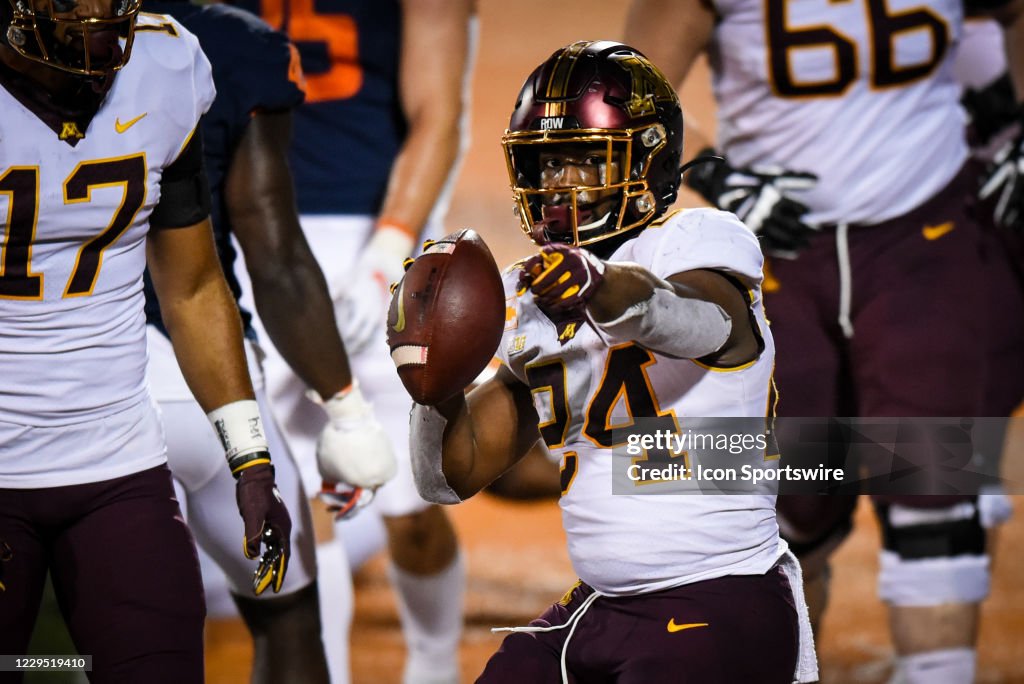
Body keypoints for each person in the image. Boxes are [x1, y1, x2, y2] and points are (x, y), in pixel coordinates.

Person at [624, 2, 1024, 681]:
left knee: (934, 497)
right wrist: (710, 170)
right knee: (782, 509)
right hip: (782, 257)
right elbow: (626, 86)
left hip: (926, 235)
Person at [406, 40, 817, 683]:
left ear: (649, 162)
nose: (556, 187)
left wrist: (598, 284)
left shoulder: (699, 238)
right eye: (543, 166)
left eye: (581, 162)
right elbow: (447, 477)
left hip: (717, 592)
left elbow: (696, 321)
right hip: (599, 606)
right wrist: (432, 383)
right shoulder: (530, 293)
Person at [0, 0, 292, 681]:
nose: (98, 14)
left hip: (117, 465)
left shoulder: (167, 63)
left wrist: (252, 462)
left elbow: (190, 288)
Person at [139, 2, 397, 682]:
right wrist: (348, 412)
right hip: (207, 386)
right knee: (287, 623)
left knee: (82, 637)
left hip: (59, 388)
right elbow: (274, 258)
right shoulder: (231, 47)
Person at [227, 1, 476, 681]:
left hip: (377, 232)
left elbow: (439, 115)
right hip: (258, 234)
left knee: (414, 502)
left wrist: (383, 257)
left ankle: (435, 664)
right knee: (297, 498)